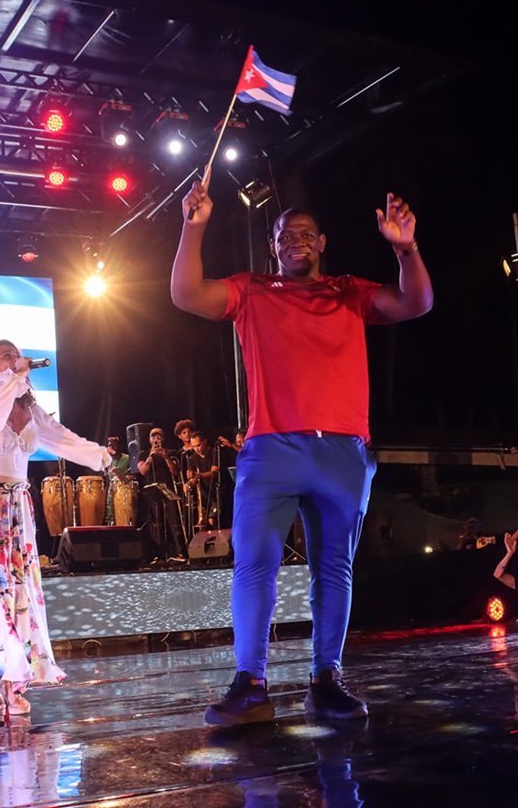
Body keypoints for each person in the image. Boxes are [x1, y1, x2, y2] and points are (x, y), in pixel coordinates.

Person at [172, 176, 432, 724]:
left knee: (333, 568)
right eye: (284, 234)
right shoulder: (251, 290)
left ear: (322, 243)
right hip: (272, 449)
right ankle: (251, 682)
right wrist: (192, 229)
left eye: (305, 234)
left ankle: (326, 679)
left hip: (341, 452)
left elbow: (416, 302)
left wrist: (405, 248)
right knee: (254, 564)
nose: (294, 240)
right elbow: (186, 294)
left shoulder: (348, 292)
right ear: (273, 246)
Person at [0, 339, 111, 718]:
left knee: (21, 593)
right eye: (5, 355)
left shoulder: (29, 408)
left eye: (15, 354)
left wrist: (100, 457)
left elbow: (60, 437)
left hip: (16, 505)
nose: (13, 360)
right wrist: (14, 376)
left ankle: (15, 683)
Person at [138, 428, 189, 564]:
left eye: (158, 437)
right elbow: (142, 471)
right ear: (149, 440)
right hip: (152, 493)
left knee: (174, 523)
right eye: (153, 437)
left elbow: (175, 472)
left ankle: (180, 552)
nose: (156, 440)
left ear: (163, 439)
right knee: (156, 524)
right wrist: (151, 456)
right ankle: (159, 554)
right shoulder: (143, 454)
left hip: (168, 492)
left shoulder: (171, 453)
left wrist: (165, 456)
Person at [184, 431, 219, 529]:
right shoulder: (191, 459)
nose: (196, 449)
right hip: (204, 495)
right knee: (205, 526)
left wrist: (198, 475)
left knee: (213, 520)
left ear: (205, 441)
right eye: (194, 446)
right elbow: (194, 480)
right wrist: (188, 484)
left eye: (198, 445)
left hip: (216, 492)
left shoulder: (215, 453)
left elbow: (214, 473)